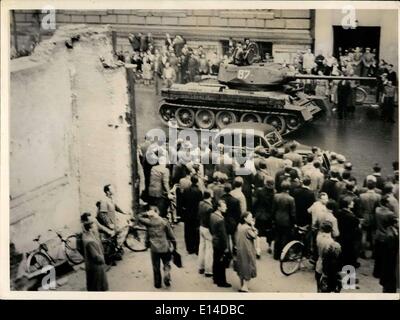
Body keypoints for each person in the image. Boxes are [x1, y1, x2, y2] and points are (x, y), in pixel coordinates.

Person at [138, 206, 177, 289]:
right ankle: (167, 274)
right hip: (165, 247)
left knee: (156, 266)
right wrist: (174, 245)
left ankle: (157, 284)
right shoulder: (164, 222)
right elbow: (171, 235)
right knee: (166, 263)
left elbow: (138, 217)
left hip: (154, 248)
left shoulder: (149, 222)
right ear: (157, 212)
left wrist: (146, 213)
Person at [81, 212, 109, 291]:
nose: (93, 224)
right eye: (91, 223)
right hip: (95, 261)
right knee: (97, 282)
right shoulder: (88, 239)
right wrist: (101, 259)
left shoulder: (86, 234)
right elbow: (96, 257)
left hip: (96, 247)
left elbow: (101, 227)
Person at [209, 200, 231, 288]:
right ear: (219, 207)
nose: (226, 208)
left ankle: (215, 278)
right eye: (224, 206)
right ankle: (222, 281)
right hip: (220, 243)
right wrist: (226, 247)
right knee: (221, 262)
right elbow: (223, 235)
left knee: (216, 260)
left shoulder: (212, 215)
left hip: (214, 240)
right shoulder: (221, 220)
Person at [315, 221, 342, 293]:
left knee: (319, 286)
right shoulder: (332, 243)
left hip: (319, 263)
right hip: (327, 267)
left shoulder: (318, 237)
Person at [272, 181, 296, 260]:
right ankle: (284, 256)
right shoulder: (291, 199)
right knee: (285, 238)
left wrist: (273, 218)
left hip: (277, 219)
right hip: (287, 221)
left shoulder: (276, 196)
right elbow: (292, 213)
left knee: (277, 237)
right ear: (288, 189)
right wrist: (293, 222)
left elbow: (273, 209)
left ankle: (276, 255)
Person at [235, 212, 258, 292]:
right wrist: (253, 226)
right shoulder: (247, 229)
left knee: (241, 267)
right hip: (247, 250)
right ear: (245, 218)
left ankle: (242, 285)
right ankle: (245, 287)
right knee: (248, 267)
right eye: (250, 217)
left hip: (240, 250)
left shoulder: (240, 226)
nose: (252, 219)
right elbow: (255, 235)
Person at [336, 197, 362, 268]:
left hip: (341, 237)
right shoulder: (352, 217)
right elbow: (357, 227)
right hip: (350, 239)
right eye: (351, 202)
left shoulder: (339, 213)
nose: (353, 203)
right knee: (349, 258)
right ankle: (348, 277)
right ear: (348, 205)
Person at [253, 175, 275, 254]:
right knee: (269, 231)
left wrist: (254, 213)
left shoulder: (259, 191)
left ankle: (258, 249)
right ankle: (269, 246)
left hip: (260, 215)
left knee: (258, 232)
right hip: (269, 216)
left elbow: (255, 203)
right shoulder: (274, 193)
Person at [182, 175, 203, 255]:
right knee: (196, 231)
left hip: (187, 213)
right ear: (197, 181)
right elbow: (200, 203)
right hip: (196, 214)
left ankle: (189, 248)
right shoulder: (199, 191)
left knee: (188, 231)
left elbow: (183, 202)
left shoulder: (186, 190)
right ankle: (196, 248)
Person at [359, 180, 381, 257]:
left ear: (367, 186)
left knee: (364, 234)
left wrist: (362, 215)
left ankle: (363, 252)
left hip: (365, 216)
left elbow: (360, 207)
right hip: (374, 216)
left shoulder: (362, 196)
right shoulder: (378, 196)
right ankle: (374, 253)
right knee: (373, 234)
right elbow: (378, 207)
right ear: (374, 186)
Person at [198, 190, 214, 277]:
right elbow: (210, 221)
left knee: (201, 248)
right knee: (209, 250)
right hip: (207, 229)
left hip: (201, 226)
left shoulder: (200, 203)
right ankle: (208, 270)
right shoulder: (209, 207)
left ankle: (201, 266)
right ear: (210, 195)